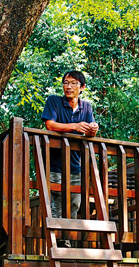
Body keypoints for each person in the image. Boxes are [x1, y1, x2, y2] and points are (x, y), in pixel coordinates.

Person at [41, 70, 99, 220]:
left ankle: (66, 239)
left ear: (82, 87)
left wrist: (92, 129)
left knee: (75, 203)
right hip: (55, 164)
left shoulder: (86, 107)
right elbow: (50, 125)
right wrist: (75, 126)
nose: (69, 87)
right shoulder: (54, 101)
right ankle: (56, 238)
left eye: (74, 83)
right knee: (57, 202)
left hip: (76, 165)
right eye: (66, 83)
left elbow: (89, 133)